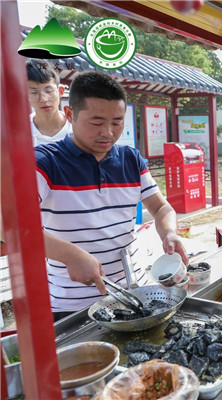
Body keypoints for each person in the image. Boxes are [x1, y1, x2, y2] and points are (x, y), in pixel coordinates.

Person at [35, 72, 188, 321]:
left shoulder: (130, 159)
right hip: (73, 307)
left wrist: (169, 232)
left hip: (134, 295)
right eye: (96, 123)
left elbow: (161, 208)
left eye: (117, 122)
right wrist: (69, 255)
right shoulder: (44, 162)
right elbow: (12, 226)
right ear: (70, 115)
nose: (107, 132)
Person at [26, 59, 72, 146]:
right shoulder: (21, 131)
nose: (43, 99)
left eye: (48, 91)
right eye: (34, 92)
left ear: (60, 91)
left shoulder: (77, 127)